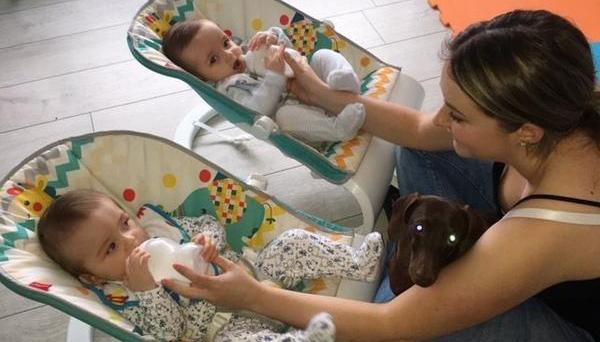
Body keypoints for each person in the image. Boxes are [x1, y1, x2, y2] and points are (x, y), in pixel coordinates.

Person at [161, 9, 600, 341]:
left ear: (525, 132)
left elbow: (395, 324)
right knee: (422, 154)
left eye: (459, 115)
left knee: (416, 327)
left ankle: (429, 276)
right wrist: (323, 94)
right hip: (515, 240)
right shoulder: (557, 118)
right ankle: (436, 263)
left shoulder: (552, 226)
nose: (443, 120)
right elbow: (417, 129)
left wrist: (253, 296)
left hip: (566, 322)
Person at [36, 189, 383, 341]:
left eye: (124, 224)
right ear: (92, 275)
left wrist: (206, 240)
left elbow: (205, 223)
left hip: (258, 279)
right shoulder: (126, 296)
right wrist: (150, 292)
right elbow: (171, 332)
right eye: (111, 247)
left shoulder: (160, 231)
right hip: (224, 327)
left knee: (290, 244)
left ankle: (356, 262)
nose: (131, 241)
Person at [162, 19, 366, 144]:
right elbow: (257, 109)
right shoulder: (229, 89)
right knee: (286, 117)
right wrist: (275, 77)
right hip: (296, 110)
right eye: (213, 59)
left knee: (322, 55)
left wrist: (272, 38)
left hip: (312, 80)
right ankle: (339, 129)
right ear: (202, 78)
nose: (229, 54)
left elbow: (287, 52)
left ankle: (345, 80)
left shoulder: (245, 51)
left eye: (225, 42)